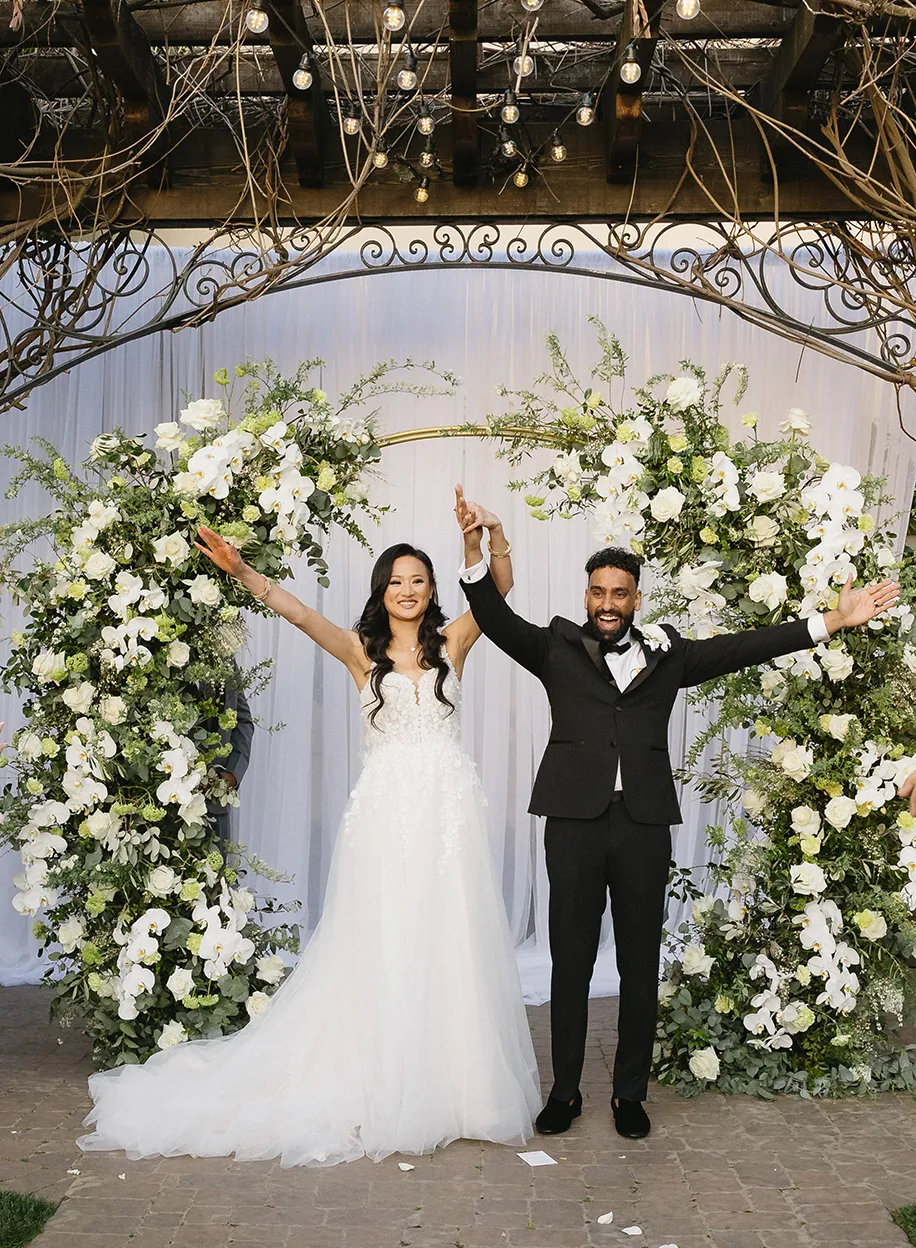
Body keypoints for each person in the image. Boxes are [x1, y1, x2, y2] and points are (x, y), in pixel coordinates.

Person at [78, 494, 540, 1167]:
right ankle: (375, 1073)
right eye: (395, 581)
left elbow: (499, 589)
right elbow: (297, 614)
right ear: (380, 591)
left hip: (446, 813)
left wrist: (491, 536)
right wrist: (242, 572)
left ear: (432, 588)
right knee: (383, 935)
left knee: (449, 933)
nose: (407, 591)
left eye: (417, 580)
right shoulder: (360, 652)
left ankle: (455, 1083)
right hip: (384, 813)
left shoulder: (452, 642)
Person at [456, 520, 899, 1141]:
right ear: (587, 595)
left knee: (640, 964)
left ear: (636, 598)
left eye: (619, 593)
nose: (607, 604)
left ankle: (628, 1096)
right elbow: (495, 619)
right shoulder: (555, 647)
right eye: (598, 592)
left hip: (642, 825)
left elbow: (746, 646)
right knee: (571, 963)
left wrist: (834, 619)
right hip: (573, 823)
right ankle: (564, 1093)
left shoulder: (670, 655)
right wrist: (474, 552)